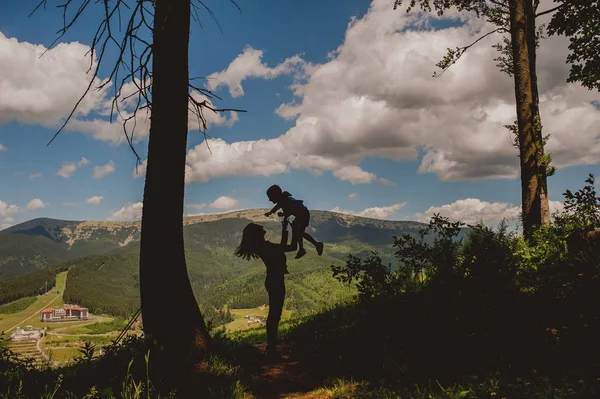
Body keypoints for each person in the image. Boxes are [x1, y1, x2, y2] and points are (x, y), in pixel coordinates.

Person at [234, 219, 296, 357]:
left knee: (275, 314)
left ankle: (271, 346)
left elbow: (283, 246)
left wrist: (285, 229)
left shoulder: (264, 246)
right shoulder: (266, 247)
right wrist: (296, 230)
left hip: (273, 280)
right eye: (259, 226)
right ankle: (271, 348)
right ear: (257, 233)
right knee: (275, 315)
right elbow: (292, 247)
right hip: (276, 282)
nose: (262, 225)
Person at [264, 184, 324, 259]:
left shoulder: (285, 200)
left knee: (300, 232)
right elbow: (277, 207)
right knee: (297, 230)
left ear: (276, 195)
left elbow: (290, 210)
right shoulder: (282, 200)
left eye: (270, 197)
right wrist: (270, 213)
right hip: (300, 214)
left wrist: (283, 214)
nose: (269, 200)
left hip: (303, 214)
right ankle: (302, 249)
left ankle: (316, 245)